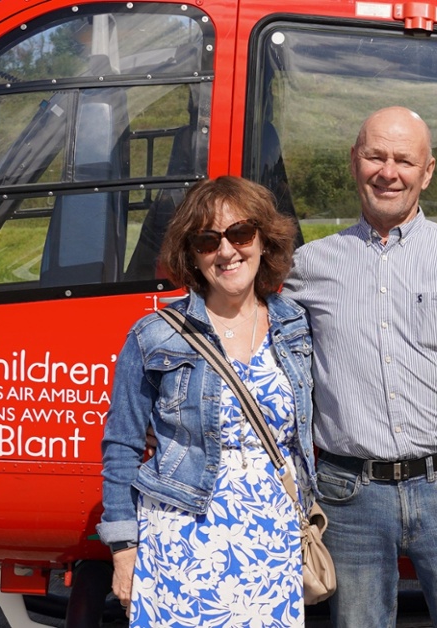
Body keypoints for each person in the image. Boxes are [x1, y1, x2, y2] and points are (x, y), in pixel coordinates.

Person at [283, 107, 437, 627]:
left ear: (428, 171)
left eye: (404, 160)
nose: (388, 171)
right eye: (375, 155)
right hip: (347, 498)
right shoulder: (307, 268)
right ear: (355, 161)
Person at [99, 176, 315, 626]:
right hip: (180, 536)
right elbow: (121, 446)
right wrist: (123, 548)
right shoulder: (154, 334)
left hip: (271, 535)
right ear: (192, 255)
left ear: (263, 240)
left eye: (241, 233)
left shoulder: (295, 326)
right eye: (208, 240)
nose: (227, 251)